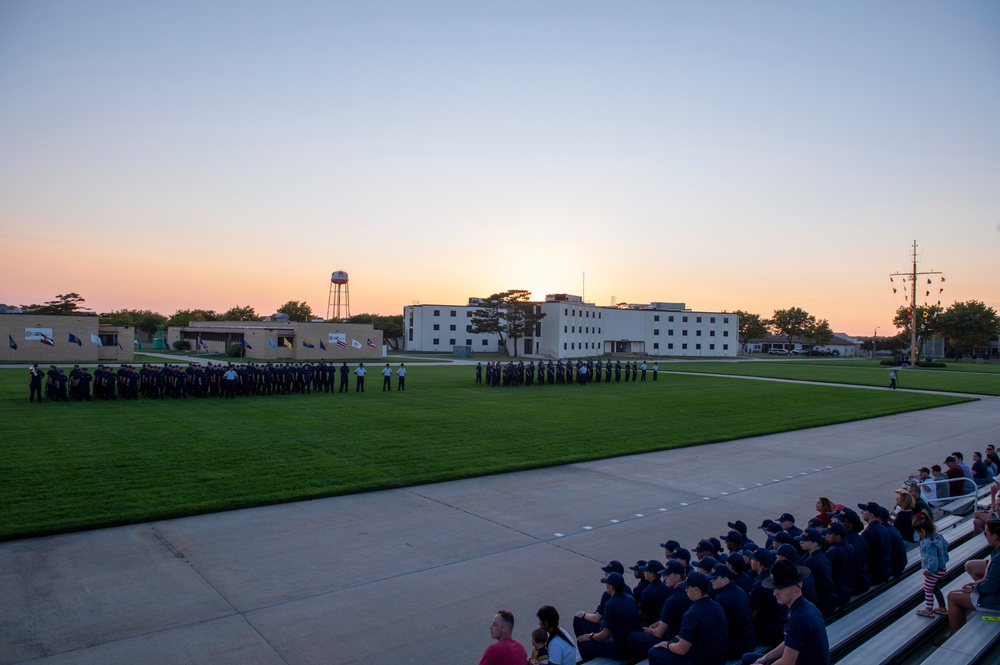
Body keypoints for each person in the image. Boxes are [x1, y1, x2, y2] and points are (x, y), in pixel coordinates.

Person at [743, 559, 829, 665]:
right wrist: (767, 658)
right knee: (748, 658)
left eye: (780, 588)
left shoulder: (799, 618)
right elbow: (789, 642)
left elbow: (787, 662)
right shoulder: (802, 608)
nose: (774, 593)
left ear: (797, 589)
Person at [647, 572, 728, 665]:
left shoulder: (692, 614)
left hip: (701, 661)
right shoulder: (717, 606)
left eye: (688, 587)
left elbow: (681, 650)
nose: (686, 590)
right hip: (719, 658)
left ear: (696, 589)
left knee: (654, 652)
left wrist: (667, 645)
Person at [941, 520, 1000, 642]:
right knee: (958, 592)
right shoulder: (997, 551)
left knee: (952, 597)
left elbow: (990, 586)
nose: (985, 536)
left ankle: (954, 637)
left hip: (996, 601)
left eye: (986, 533)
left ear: (995, 536)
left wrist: (974, 588)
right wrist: (976, 585)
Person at [576, 572, 641, 662]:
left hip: (619, 649)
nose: (606, 586)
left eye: (607, 584)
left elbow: (604, 635)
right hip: (631, 644)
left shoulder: (610, 604)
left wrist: (590, 636)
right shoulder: (631, 599)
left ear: (611, 587)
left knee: (582, 642)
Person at [709, 563, 757, 659]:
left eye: (714, 578)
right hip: (749, 641)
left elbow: (719, 629)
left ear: (725, 579)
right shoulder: (740, 591)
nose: (711, 581)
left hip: (735, 648)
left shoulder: (722, 598)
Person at [913, 515, 949, 617]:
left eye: (918, 532)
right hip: (942, 568)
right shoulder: (938, 536)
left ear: (923, 531)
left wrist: (928, 570)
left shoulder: (928, 543)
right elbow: (946, 545)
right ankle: (942, 607)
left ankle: (929, 609)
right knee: (935, 588)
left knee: (928, 588)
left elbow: (933, 560)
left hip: (935, 570)